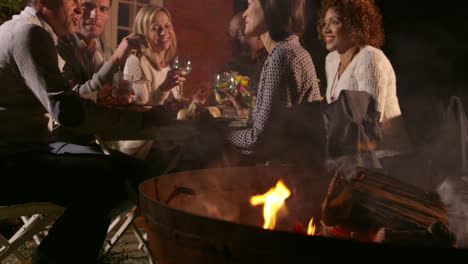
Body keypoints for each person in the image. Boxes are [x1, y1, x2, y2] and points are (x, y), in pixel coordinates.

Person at [0, 0, 173, 263]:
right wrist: (149, 122)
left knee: (136, 172)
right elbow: (68, 111)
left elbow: (68, 102)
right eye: (73, 1)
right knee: (113, 181)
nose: (79, 9)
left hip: (33, 148)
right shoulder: (28, 33)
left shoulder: (32, 32)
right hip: (11, 161)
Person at [223, 0, 322, 164]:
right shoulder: (292, 49)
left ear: (270, 6)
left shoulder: (281, 56)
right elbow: (275, 125)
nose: (245, 14)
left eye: (250, 4)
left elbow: (258, 138)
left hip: (287, 177)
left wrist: (219, 133)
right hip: (301, 171)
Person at [318, 0, 413, 160]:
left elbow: (370, 124)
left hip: (386, 158)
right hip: (352, 156)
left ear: (354, 25)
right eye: (324, 23)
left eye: (334, 22)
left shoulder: (370, 57)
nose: (326, 29)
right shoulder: (331, 60)